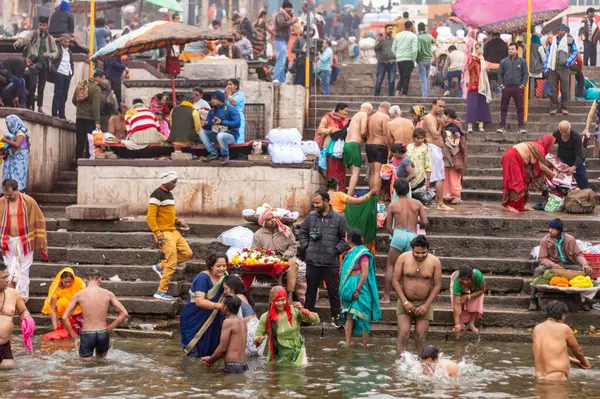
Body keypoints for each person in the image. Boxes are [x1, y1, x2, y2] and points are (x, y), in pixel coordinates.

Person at [298, 190, 348, 328]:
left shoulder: (339, 219)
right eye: (314, 202)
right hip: (313, 261)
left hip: (330, 262)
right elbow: (302, 233)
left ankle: (336, 317)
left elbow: (344, 240)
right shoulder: (311, 217)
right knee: (310, 292)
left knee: (333, 291)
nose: (315, 205)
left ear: (326, 201)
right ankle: (308, 317)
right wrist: (306, 246)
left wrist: (335, 250)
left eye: (318, 202)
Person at [62, 269, 128, 359]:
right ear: (100, 279)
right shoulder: (108, 294)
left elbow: (65, 317)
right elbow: (124, 313)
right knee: (101, 363)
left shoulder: (79, 295)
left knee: (86, 366)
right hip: (103, 333)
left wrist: (74, 336)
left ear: (85, 280)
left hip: (87, 334)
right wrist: (109, 329)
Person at [147, 171, 192, 301]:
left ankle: (160, 266)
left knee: (187, 253)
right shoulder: (156, 194)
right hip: (164, 233)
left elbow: (168, 214)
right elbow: (150, 217)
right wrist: (158, 233)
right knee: (172, 262)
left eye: (175, 182)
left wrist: (178, 221)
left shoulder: (169, 195)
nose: (175, 185)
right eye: (173, 182)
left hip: (173, 231)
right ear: (166, 181)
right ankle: (161, 291)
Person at [392, 235, 441, 355]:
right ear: (412, 249)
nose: (420, 255)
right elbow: (395, 281)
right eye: (417, 252)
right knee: (403, 333)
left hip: (425, 302)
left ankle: (421, 364)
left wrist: (426, 305)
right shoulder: (403, 258)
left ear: (427, 250)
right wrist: (405, 302)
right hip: (405, 301)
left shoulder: (435, 261)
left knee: (420, 336)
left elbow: (437, 286)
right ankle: (400, 363)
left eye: (423, 253)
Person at [530, 219, 593, 311]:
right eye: (550, 228)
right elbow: (542, 258)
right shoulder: (545, 240)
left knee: (586, 271)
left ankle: (585, 301)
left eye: (553, 229)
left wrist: (584, 264)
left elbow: (578, 255)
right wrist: (552, 265)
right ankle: (533, 300)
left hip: (568, 265)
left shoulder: (570, 239)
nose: (550, 230)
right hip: (553, 266)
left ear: (559, 230)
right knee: (538, 271)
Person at [0, 179, 47, 302]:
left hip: (25, 240)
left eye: (10, 194)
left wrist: (39, 239)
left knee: (24, 269)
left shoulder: (29, 201)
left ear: (17, 190)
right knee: (9, 268)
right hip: (7, 239)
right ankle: (8, 297)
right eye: (5, 195)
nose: (8, 197)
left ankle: (22, 298)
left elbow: (39, 218)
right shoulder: (2, 202)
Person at [384, 178, 428, 304]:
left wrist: (396, 236)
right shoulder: (417, 203)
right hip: (412, 236)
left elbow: (388, 227)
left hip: (398, 234)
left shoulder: (392, 205)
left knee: (390, 266)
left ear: (395, 191)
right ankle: (410, 296)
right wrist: (416, 221)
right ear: (409, 190)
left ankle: (386, 297)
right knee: (411, 267)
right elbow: (425, 222)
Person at [254, 286, 319, 365]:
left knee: (299, 375)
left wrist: (303, 310)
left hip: (298, 354)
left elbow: (315, 319)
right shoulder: (266, 317)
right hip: (277, 356)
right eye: (277, 301)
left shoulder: (294, 310)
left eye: (283, 300)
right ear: (271, 301)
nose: (280, 303)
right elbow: (256, 338)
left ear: (286, 299)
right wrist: (258, 339)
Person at [340, 227, 381, 348]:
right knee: (348, 315)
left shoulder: (363, 253)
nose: (344, 238)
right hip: (349, 285)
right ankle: (347, 344)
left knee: (363, 316)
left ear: (351, 239)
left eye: (346, 236)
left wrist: (357, 289)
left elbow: (365, 274)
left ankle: (364, 345)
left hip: (361, 287)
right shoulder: (348, 252)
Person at [181, 253, 228, 357]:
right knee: (193, 352)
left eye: (224, 266)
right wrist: (219, 306)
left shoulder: (225, 278)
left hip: (213, 320)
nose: (221, 269)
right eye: (218, 266)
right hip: (194, 318)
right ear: (211, 266)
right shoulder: (202, 278)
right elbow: (199, 301)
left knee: (209, 351)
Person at [532, 300, 591, 381]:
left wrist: (575, 361)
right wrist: (584, 362)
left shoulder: (537, 329)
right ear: (562, 315)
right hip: (557, 377)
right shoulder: (564, 328)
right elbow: (577, 351)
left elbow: (550, 352)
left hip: (540, 378)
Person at [251, 209, 302, 302]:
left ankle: (290, 295)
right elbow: (255, 252)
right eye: (270, 219)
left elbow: (293, 245)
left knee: (293, 263)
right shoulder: (258, 235)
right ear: (264, 222)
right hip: (267, 261)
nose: (273, 220)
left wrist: (286, 254)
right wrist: (267, 254)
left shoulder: (285, 229)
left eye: (274, 217)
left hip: (285, 258)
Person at [14, 15, 58, 113]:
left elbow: (55, 52)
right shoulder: (33, 34)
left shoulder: (50, 38)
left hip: (45, 65)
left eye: (44, 25)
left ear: (47, 26)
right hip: (34, 64)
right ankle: (30, 105)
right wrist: (17, 43)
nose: (42, 27)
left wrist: (49, 55)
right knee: (33, 86)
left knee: (41, 87)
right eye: (41, 25)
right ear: (39, 25)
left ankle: (40, 107)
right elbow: (24, 39)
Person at [501, 135, 556, 212]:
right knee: (517, 183)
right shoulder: (540, 148)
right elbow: (540, 166)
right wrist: (552, 173)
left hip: (517, 158)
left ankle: (521, 206)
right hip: (512, 157)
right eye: (552, 145)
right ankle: (510, 206)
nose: (552, 147)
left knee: (524, 181)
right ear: (548, 143)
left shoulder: (538, 145)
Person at [201, 294, 248, 373]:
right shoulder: (243, 321)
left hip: (232, 367)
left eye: (222, 304)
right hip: (243, 366)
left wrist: (210, 360)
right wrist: (211, 358)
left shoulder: (228, 322)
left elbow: (222, 349)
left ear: (225, 307)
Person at [0, 263, 33, 366]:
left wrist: (27, 318)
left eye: (8, 276)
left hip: (5, 345)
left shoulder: (13, 294)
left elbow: (23, 310)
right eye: (4, 277)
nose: (8, 280)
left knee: (8, 375)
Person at [422, 99, 452, 210]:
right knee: (439, 177)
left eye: (443, 107)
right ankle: (440, 203)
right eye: (439, 106)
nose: (442, 109)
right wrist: (440, 126)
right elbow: (435, 134)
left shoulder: (436, 118)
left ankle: (438, 202)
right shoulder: (429, 118)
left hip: (436, 149)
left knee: (438, 176)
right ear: (433, 105)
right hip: (432, 148)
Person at [223, 275, 263, 356]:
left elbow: (239, 321)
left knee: (247, 360)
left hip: (250, 331)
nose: (224, 291)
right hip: (258, 329)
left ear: (233, 288)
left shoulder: (234, 298)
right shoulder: (243, 296)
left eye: (226, 288)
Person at [41, 267, 85, 339]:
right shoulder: (56, 289)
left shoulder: (79, 282)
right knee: (63, 301)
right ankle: (63, 320)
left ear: (73, 279)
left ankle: (71, 321)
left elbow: (85, 296)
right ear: (61, 279)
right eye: (65, 282)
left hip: (77, 308)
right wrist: (55, 329)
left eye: (70, 282)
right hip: (62, 311)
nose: (68, 284)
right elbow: (53, 310)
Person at [200, 90, 241, 165]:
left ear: (220, 99)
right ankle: (213, 153)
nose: (212, 100)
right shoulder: (212, 111)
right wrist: (206, 123)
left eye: (214, 98)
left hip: (230, 136)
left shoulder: (230, 109)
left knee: (221, 135)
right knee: (201, 131)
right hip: (216, 134)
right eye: (211, 98)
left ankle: (225, 155)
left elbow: (237, 123)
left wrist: (222, 122)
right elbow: (209, 125)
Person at [544, 25, 578, 115]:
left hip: (564, 68)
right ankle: (554, 107)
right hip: (553, 67)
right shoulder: (552, 41)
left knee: (564, 89)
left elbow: (575, 52)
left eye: (562, 30)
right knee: (553, 89)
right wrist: (546, 67)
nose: (560, 32)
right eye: (559, 30)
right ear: (557, 31)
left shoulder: (570, 40)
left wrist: (569, 61)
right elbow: (548, 54)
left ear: (565, 31)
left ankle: (564, 107)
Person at [317, 103, 350, 192]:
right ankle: (331, 191)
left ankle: (340, 191)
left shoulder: (346, 121)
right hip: (328, 148)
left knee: (340, 171)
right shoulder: (327, 117)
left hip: (340, 150)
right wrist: (330, 130)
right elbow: (320, 130)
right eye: (345, 111)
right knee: (330, 171)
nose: (346, 113)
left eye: (347, 111)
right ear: (339, 110)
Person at [497, 43, 528, 134]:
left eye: (512, 49)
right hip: (506, 87)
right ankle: (502, 126)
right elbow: (500, 74)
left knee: (520, 108)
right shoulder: (503, 62)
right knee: (503, 107)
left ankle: (521, 127)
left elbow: (525, 74)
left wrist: (522, 85)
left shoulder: (522, 61)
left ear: (516, 50)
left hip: (518, 88)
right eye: (509, 49)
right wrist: (501, 85)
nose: (510, 51)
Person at [73, 70, 104, 159]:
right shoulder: (96, 89)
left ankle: (77, 164)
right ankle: (86, 163)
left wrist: (81, 109)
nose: (103, 81)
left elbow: (74, 100)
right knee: (89, 142)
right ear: (97, 78)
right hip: (90, 119)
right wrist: (97, 121)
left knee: (79, 142)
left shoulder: (81, 84)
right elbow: (96, 106)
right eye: (102, 79)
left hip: (79, 118)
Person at [451, 264, 486, 339]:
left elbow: (482, 290)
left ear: (472, 277)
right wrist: (457, 325)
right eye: (462, 279)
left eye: (467, 279)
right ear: (459, 277)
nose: (465, 282)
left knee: (478, 297)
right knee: (457, 300)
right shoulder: (457, 281)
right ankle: (461, 324)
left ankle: (471, 323)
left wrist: (468, 296)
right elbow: (456, 306)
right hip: (458, 287)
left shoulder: (478, 276)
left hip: (475, 290)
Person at [463, 42, 492, 134]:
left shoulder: (483, 60)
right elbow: (470, 68)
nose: (478, 50)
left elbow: (486, 70)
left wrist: (482, 60)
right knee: (471, 105)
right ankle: (470, 125)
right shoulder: (471, 58)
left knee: (482, 105)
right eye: (476, 48)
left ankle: (481, 125)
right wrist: (477, 59)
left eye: (479, 48)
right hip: (473, 84)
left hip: (483, 85)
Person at [345, 103, 373, 196]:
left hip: (347, 144)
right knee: (355, 173)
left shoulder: (355, 115)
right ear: (369, 110)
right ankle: (349, 195)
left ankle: (351, 192)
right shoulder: (364, 115)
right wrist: (365, 138)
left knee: (353, 171)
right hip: (354, 145)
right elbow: (363, 131)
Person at [553, 121, 589, 189]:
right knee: (559, 177)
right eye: (562, 132)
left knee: (582, 177)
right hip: (563, 157)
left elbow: (579, 154)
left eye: (565, 132)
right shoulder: (557, 133)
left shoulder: (576, 136)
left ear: (570, 128)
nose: (563, 134)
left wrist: (574, 167)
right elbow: (551, 142)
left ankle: (586, 194)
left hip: (576, 158)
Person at [366, 102, 392, 196]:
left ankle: (370, 197)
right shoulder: (385, 117)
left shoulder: (371, 117)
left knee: (372, 173)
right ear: (388, 110)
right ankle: (376, 198)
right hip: (379, 146)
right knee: (377, 173)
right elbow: (385, 134)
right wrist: (390, 148)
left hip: (369, 145)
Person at [442, 109, 467, 204]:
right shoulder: (454, 124)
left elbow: (454, 138)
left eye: (444, 115)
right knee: (447, 174)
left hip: (453, 154)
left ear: (448, 116)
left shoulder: (453, 125)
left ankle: (456, 195)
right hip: (449, 154)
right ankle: (448, 194)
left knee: (453, 175)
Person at [1, 115, 31, 192]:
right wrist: (4, 151)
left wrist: (6, 141)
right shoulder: (12, 133)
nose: (8, 125)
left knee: (17, 180)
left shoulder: (21, 132)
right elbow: (8, 148)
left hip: (18, 163)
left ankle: (18, 195)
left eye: (8, 123)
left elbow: (17, 145)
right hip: (12, 162)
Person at [273, 1, 298, 84]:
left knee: (283, 62)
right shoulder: (280, 15)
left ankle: (282, 80)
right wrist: (292, 21)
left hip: (284, 41)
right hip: (279, 40)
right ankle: (276, 78)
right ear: (285, 7)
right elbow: (282, 24)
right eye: (289, 8)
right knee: (280, 61)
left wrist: (292, 18)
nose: (291, 10)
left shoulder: (287, 16)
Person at [392, 20, 418, 97]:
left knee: (402, 76)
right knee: (407, 77)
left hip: (400, 59)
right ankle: (404, 93)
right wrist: (413, 59)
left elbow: (393, 48)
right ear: (411, 27)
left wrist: (397, 55)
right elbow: (414, 49)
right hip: (409, 58)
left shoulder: (398, 35)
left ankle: (398, 91)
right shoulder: (413, 36)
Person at [51, 35, 73, 119]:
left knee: (64, 95)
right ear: (61, 41)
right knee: (57, 94)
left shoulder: (69, 51)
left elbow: (71, 62)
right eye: (65, 41)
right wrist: (55, 72)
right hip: (59, 73)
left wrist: (71, 72)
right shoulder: (57, 49)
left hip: (67, 74)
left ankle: (62, 113)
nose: (67, 43)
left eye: (68, 42)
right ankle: (54, 112)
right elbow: (52, 61)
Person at [406, 127, 431, 193]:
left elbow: (428, 166)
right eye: (418, 138)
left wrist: (428, 181)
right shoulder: (409, 147)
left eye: (422, 138)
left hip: (420, 178)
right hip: (409, 176)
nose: (420, 140)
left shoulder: (426, 148)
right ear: (414, 138)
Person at [374, 24, 396, 97]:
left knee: (391, 80)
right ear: (385, 30)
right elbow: (376, 48)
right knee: (379, 80)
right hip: (382, 62)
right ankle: (376, 96)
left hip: (392, 62)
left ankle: (391, 96)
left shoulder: (394, 40)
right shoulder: (381, 39)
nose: (391, 30)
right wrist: (380, 42)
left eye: (391, 29)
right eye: (389, 29)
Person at [225, 78, 246, 143]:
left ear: (236, 86)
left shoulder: (240, 95)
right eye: (228, 84)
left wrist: (228, 95)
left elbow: (234, 103)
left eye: (230, 84)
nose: (228, 86)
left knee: (239, 135)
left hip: (238, 118)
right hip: (229, 118)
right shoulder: (229, 95)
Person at [416, 23, 434, 98]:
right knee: (427, 78)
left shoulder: (419, 38)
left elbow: (418, 49)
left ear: (418, 29)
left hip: (421, 59)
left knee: (423, 78)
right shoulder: (430, 36)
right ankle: (427, 93)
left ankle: (424, 95)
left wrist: (416, 58)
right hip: (429, 59)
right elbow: (434, 41)